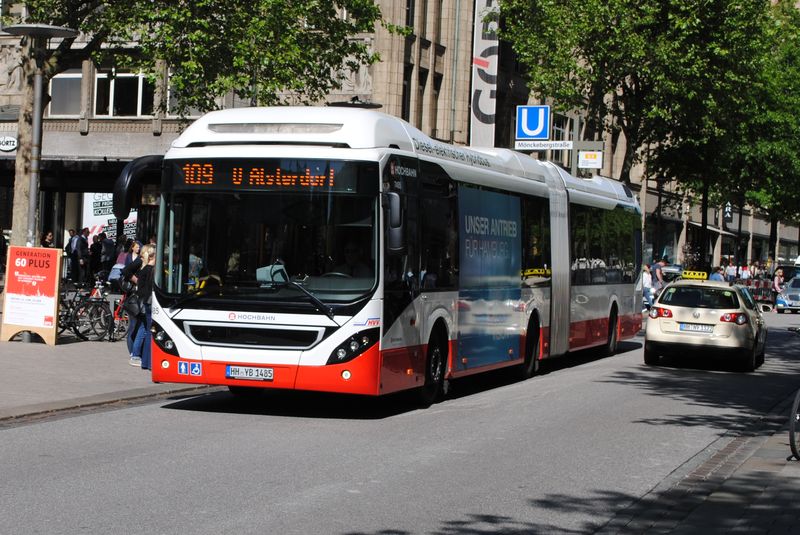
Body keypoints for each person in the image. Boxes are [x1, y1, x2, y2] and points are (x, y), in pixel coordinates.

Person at [127, 243, 156, 370]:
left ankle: (140, 357)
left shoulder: (144, 269)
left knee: (143, 328)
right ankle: (139, 357)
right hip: (146, 303)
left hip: (143, 302)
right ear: (151, 256)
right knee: (145, 330)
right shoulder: (150, 270)